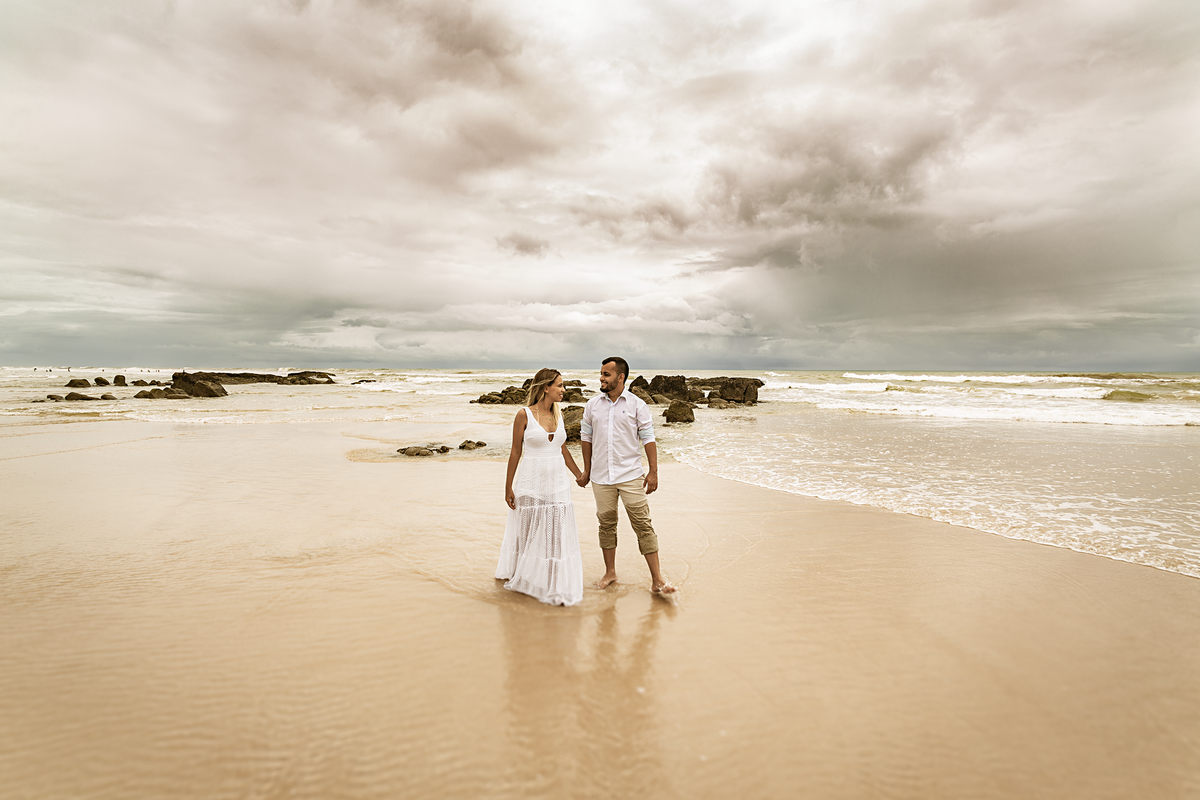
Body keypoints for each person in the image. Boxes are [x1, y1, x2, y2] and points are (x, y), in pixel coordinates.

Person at [577, 357, 677, 595]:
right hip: (601, 477)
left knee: (643, 525)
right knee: (606, 525)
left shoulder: (637, 405)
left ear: (620, 377)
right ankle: (610, 573)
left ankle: (657, 580)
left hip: (631, 475)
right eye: (601, 373)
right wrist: (587, 470)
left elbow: (648, 438)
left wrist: (653, 471)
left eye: (607, 374)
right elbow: (586, 438)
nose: (601, 378)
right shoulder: (592, 405)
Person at [496, 368, 586, 606]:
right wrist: (508, 487)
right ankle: (523, 577)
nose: (564, 390)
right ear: (546, 387)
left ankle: (553, 582)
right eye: (560, 385)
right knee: (526, 535)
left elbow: (562, 450)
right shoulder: (524, 414)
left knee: (555, 536)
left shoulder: (559, 414)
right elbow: (515, 452)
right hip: (530, 483)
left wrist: (579, 475)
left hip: (558, 485)